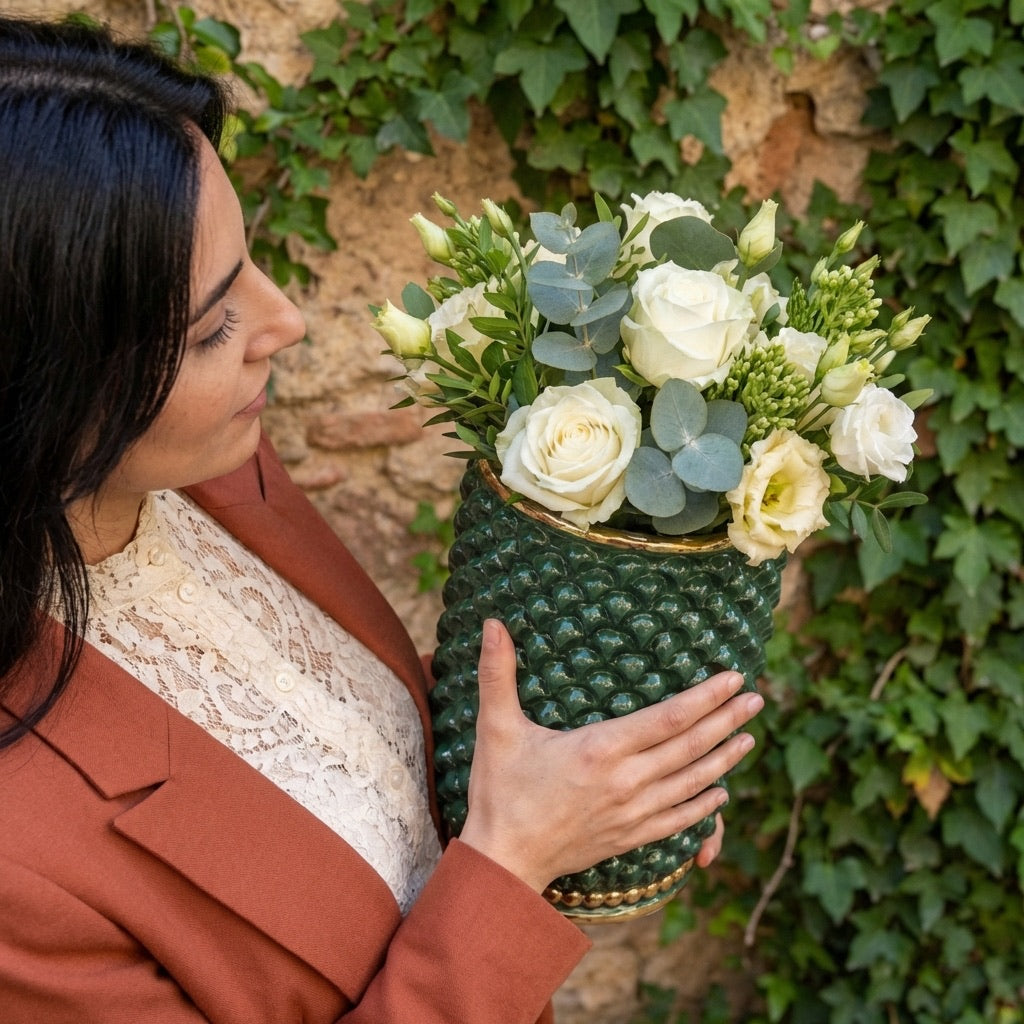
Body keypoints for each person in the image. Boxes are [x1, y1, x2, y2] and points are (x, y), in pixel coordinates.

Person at [0, 15, 764, 1024]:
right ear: (44, 399)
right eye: (212, 324)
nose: (287, 323)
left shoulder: (201, 468)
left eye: (250, 268)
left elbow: (371, 792)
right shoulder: (21, 875)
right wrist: (510, 858)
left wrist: (597, 793)